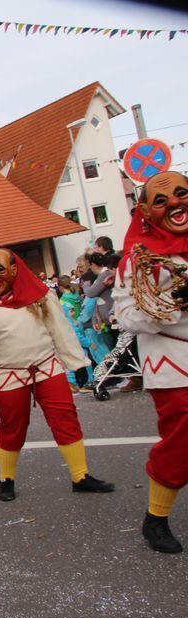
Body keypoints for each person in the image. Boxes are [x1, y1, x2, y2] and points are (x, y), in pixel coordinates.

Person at [0, 249, 115, 501]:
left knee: (65, 418)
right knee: (12, 427)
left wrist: (77, 364)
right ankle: (6, 479)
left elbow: (60, 329)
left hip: (46, 368)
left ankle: (80, 476)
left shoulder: (41, 296)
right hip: (7, 374)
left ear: (15, 270)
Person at [113, 171, 188, 554]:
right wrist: (174, 304)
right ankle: (156, 518)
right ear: (144, 210)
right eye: (162, 200)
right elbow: (125, 317)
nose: (175, 203)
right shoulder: (139, 259)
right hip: (175, 362)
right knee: (182, 444)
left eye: (181, 193)